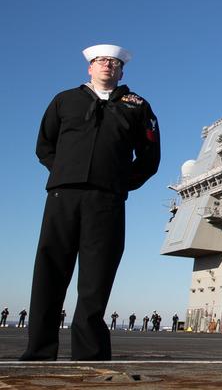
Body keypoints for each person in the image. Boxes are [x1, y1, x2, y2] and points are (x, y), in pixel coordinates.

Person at [20, 45, 160, 361]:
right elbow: (45, 145)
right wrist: (63, 172)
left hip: (107, 200)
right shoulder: (64, 100)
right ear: (90, 67)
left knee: (96, 278)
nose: (107, 65)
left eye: (114, 62)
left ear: (122, 70)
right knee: (49, 270)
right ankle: (39, 350)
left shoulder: (137, 106)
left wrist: (120, 184)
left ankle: (90, 354)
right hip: (62, 196)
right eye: (101, 61)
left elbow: (150, 157)